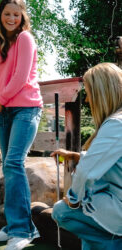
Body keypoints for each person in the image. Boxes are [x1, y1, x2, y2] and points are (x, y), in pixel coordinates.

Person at [0, 1, 43, 249]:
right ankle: (14, 224)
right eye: (7, 14)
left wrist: (0, 103)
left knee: (14, 163)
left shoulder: (26, 39)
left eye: (17, 14)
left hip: (27, 108)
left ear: (22, 16)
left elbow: (20, 76)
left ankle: (24, 230)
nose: (12, 18)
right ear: (0, 15)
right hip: (4, 112)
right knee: (8, 167)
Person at [51, 63, 122, 250]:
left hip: (119, 209)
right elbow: (110, 157)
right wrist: (76, 155)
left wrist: (73, 199)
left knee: (61, 211)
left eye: (89, 93)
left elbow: (86, 173)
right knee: (90, 223)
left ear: (102, 93)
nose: (88, 100)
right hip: (115, 202)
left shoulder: (116, 124)